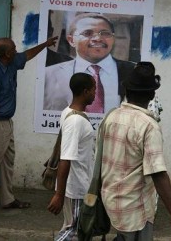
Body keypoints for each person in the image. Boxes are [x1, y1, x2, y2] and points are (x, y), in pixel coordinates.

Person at [100, 62, 171, 241]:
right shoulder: (148, 126)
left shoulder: (111, 117)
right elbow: (158, 174)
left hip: (111, 200)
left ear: (126, 91)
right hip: (135, 208)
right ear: (152, 94)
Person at [0, 36, 58, 227]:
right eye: (13, 48)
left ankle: (7, 199)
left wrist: (45, 44)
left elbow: (26, 55)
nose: (16, 50)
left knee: (8, 160)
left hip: (6, 122)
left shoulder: (9, 61)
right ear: (7, 54)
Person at [44, 13, 135, 113]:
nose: (98, 39)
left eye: (105, 33)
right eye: (87, 33)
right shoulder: (49, 75)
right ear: (71, 40)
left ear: (113, 39)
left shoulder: (134, 72)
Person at [48, 72, 96, 240]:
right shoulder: (76, 122)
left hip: (81, 185)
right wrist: (59, 195)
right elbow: (65, 158)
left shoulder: (69, 112)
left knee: (80, 231)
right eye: (93, 90)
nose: (95, 93)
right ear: (85, 92)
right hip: (77, 188)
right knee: (73, 232)